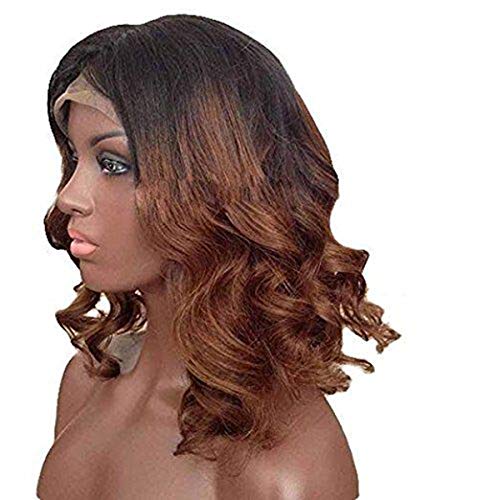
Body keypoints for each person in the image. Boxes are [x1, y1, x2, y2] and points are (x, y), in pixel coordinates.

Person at [37, 13, 401, 499]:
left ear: (213, 184)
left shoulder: (284, 464)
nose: (68, 197)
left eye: (113, 164)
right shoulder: (88, 379)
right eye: (74, 157)